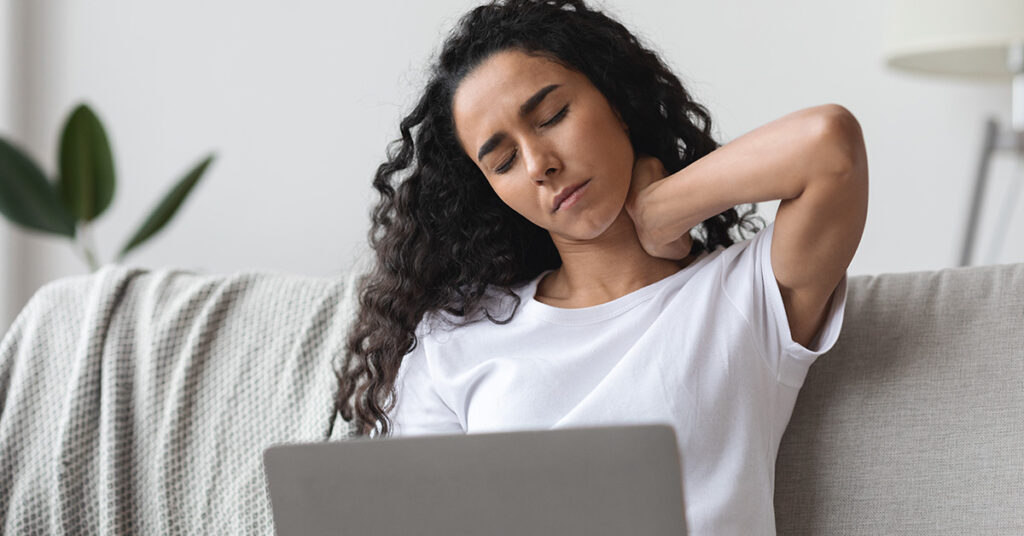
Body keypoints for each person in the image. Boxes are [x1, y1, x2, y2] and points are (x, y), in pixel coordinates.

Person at [332, 0, 868, 533]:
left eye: (552, 117)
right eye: (503, 161)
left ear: (616, 99)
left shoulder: (745, 295)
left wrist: (662, 210)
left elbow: (828, 145)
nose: (540, 164)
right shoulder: (454, 338)